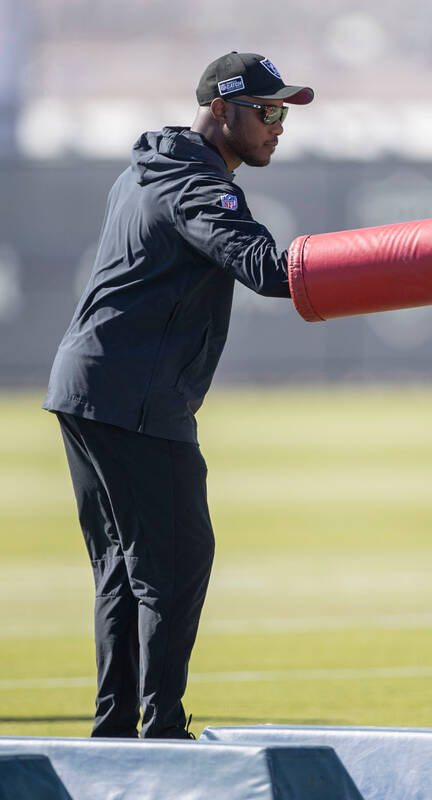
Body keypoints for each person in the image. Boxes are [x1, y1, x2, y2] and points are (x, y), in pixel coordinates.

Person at [43, 52, 313, 738]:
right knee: (174, 565)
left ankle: (115, 732)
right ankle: (160, 730)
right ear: (220, 111)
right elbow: (265, 270)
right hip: (133, 397)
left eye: (284, 111)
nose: (278, 126)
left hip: (90, 388)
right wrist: (383, 265)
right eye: (267, 111)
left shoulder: (156, 166)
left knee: (124, 570)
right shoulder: (195, 181)